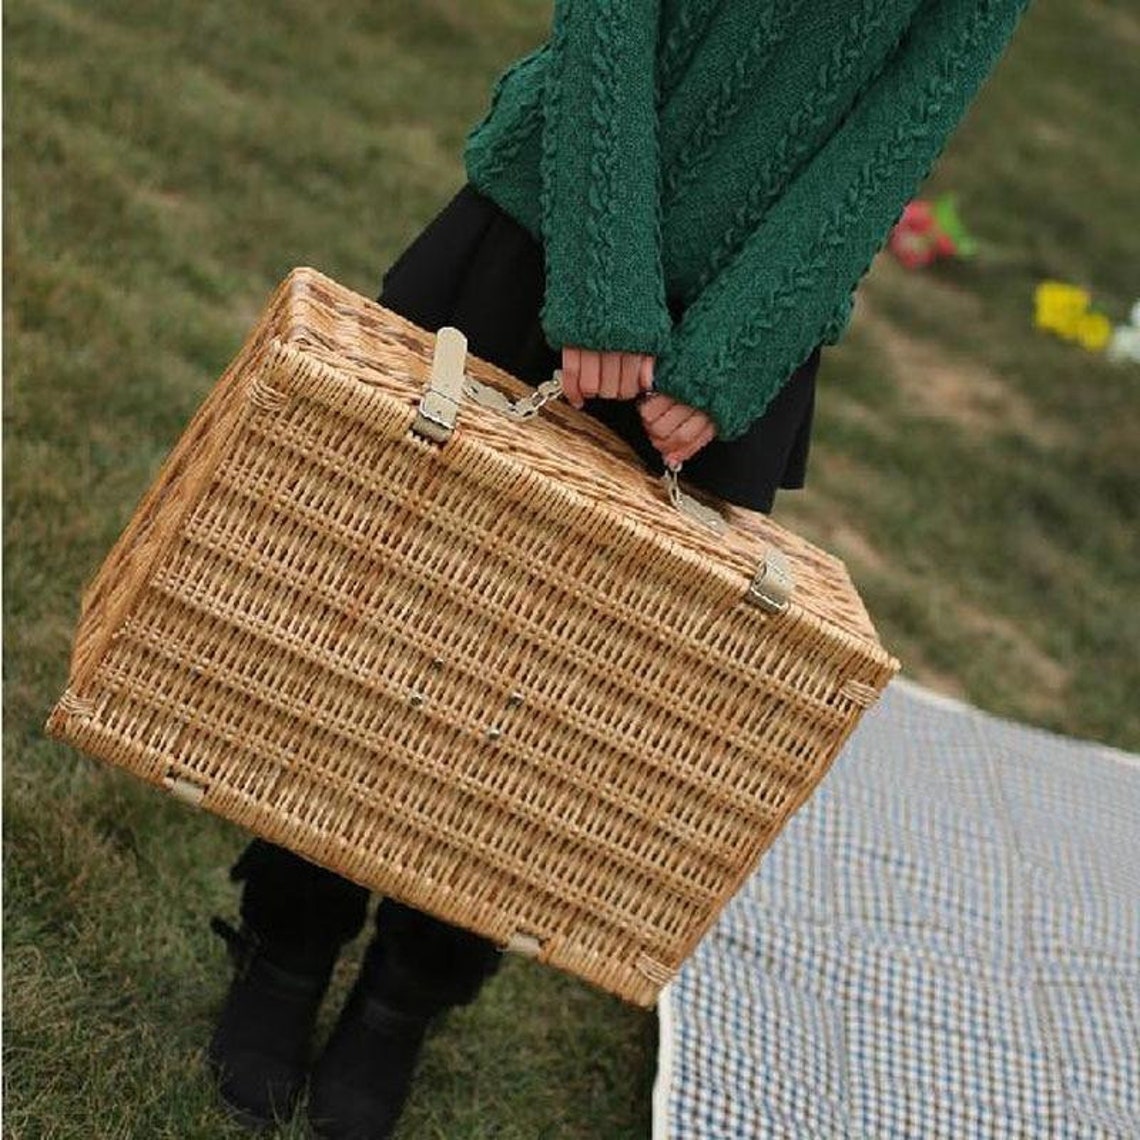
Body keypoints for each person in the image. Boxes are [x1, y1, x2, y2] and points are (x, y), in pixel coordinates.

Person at [206, 2, 1030, 1136]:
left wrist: (733, 354)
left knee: (565, 696)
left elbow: (897, 133)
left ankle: (412, 993)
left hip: (739, 319)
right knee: (386, 607)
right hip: (552, 222)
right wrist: (603, 284)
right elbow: (607, 23)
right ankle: (289, 940)